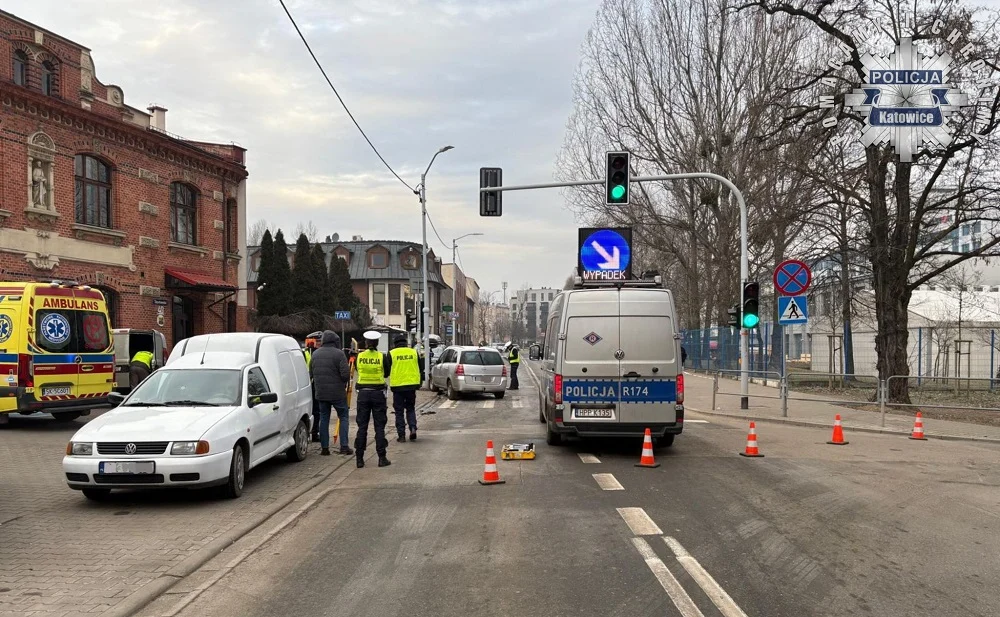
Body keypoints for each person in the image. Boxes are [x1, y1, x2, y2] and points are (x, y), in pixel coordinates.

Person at [310, 330, 352, 457]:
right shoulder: (339, 354)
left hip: (321, 393)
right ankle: (344, 446)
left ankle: (325, 448)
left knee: (324, 418)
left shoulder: (315, 354)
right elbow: (345, 375)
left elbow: (311, 374)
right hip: (337, 393)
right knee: (343, 416)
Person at [354, 331, 392, 468]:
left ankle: (359, 459)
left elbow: (358, 370)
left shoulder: (360, 356)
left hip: (363, 394)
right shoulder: (381, 356)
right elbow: (387, 373)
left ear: (366, 343)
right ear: (376, 343)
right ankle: (382, 458)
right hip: (378, 394)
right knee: (379, 427)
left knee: (362, 426)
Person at [389, 335, 421, 442]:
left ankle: (401, 435)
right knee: (410, 408)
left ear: (395, 343)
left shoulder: (392, 353)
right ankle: (412, 428)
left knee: (399, 411)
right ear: (406, 342)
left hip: (397, 387)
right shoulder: (413, 352)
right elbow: (420, 367)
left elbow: (387, 370)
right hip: (411, 385)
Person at [303, 334, 322, 441]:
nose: (319, 343)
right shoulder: (306, 353)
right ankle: (313, 432)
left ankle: (314, 432)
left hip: (312, 385)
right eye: (318, 341)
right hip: (308, 386)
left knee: (316, 411)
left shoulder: (315, 353)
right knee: (313, 411)